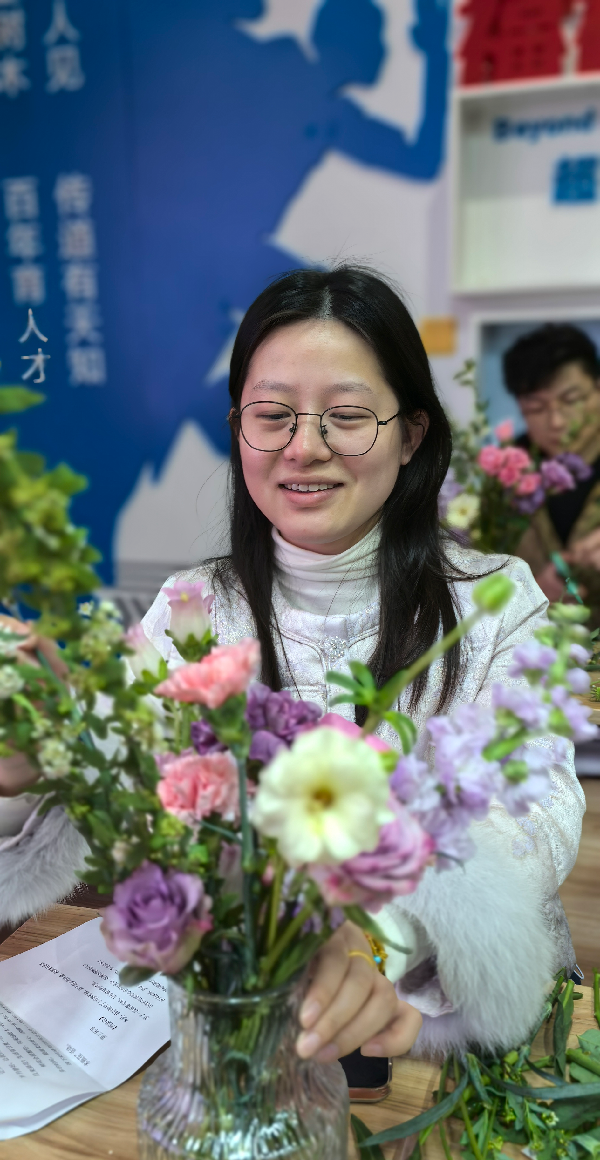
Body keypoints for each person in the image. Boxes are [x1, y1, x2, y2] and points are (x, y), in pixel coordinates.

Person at [0, 269, 584, 1064]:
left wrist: (371, 936)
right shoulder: (194, 608)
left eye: (346, 416)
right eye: (272, 416)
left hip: (449, 1037)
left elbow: (537, 813)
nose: (304, 447)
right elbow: (121, 800)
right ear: (239, 428)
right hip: (251, 1035)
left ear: (411, 434)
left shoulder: (495, 602)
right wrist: (37, 762)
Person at [502, 323, 600, 616]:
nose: (556, 421)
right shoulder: (504, 476)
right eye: (536, 407)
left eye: (571, 400)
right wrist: (527, 594)